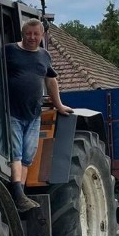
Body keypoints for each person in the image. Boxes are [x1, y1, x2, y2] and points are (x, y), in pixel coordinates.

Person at [4, 18, 72, 212]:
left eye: (36, 34)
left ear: (42, 35)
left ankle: (20, 196)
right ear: (23, 34)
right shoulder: (8, 51)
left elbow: (51, 80)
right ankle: (17, 194)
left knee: (27, 156)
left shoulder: (44, 56)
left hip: (33, 114)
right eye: (28, 34)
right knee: (15, 153)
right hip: (12, 112)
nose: (32, 37)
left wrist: (58, 105)